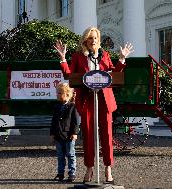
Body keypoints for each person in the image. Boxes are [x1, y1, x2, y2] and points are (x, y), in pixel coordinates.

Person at [54, 26, 134, 184]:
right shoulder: (78, 57)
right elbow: (70, 75)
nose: (94, 40)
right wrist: (63, 59)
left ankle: (108, 169)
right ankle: (89, 168)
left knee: (107, 135)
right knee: (89, 135)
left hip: (104, 100)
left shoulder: (105, 55)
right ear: (85, 40)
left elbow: (114, 75)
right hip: (87, 99)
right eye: (90, 38)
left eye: (96, 38)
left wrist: (122, 59)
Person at [50, 83, 79, 183]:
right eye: (57, 93)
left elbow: (75, 121)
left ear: (67, 94)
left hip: (68, 136)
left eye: (59, 93)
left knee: (70, 154)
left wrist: (75, 133)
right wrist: (52, 134)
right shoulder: (56, 106)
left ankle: (72, 173)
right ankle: (60, 173)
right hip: (58, 135)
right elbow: (54, 121)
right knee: (60, 155)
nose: (57, 95)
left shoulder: (72, 106)